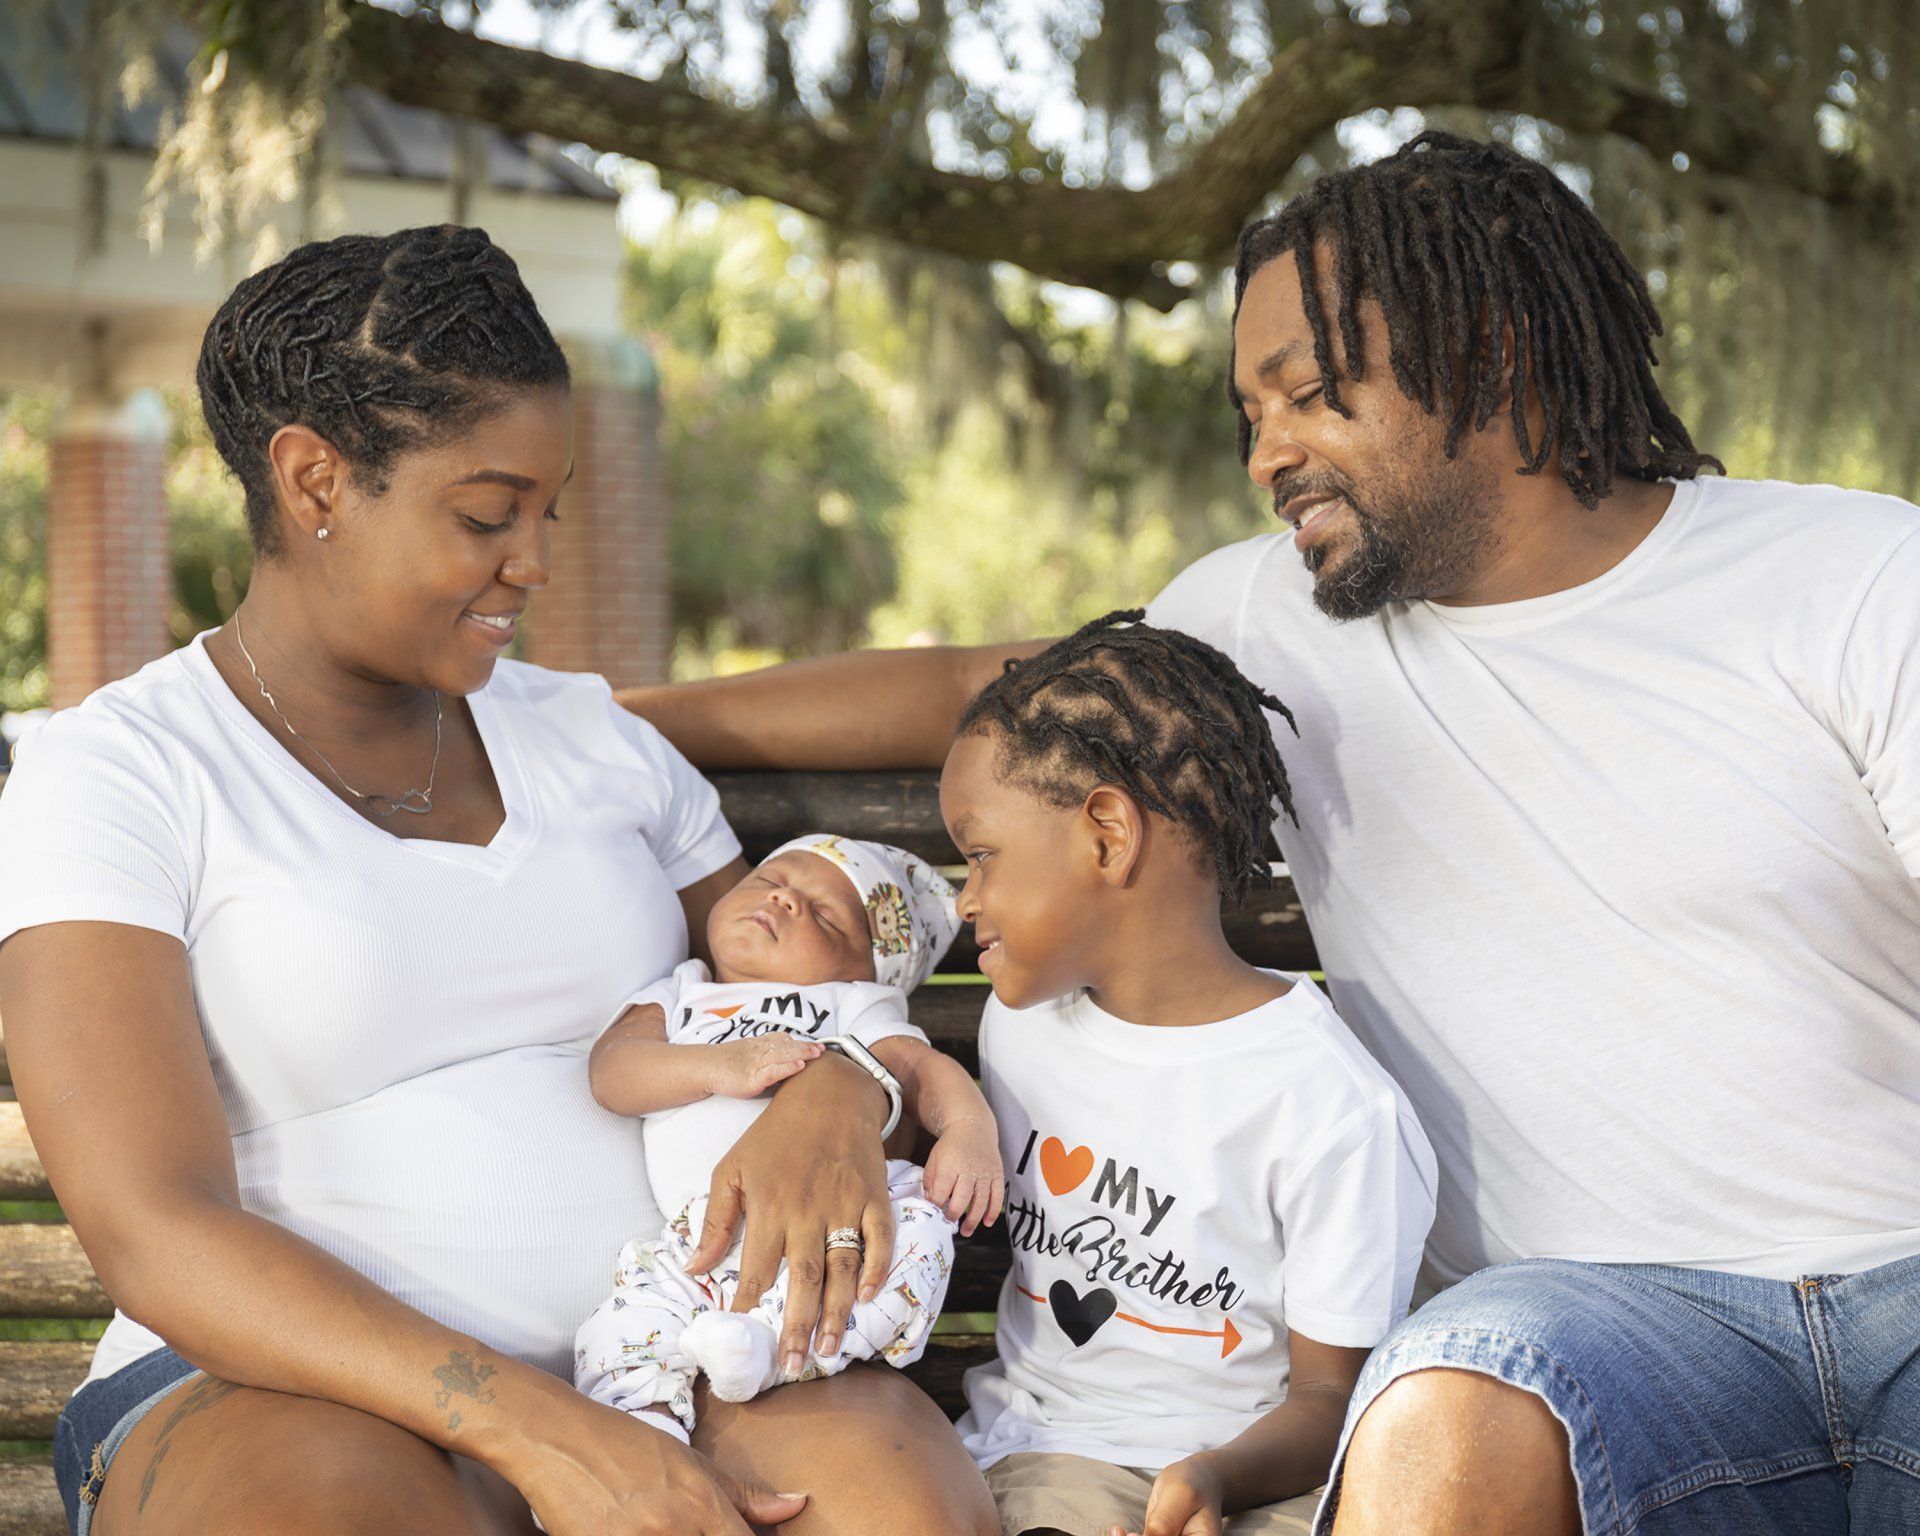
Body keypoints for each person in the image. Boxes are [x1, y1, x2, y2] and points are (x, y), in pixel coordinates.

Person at [621, 132, 1920, 1536]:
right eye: (1253, 415)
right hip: (1591, 1337)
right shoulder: (1271, 626)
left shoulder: (1849, 582)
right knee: (1447, 1407)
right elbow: (969, 692)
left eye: (1307, 395)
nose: (1269, 456)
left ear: (1492, 351)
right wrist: (602, 714)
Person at [0, 225, 997, 1536]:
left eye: (547, 511)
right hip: (282, 1388)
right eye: (486, 514)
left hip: (668, 1344)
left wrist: (845, 1090)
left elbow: (802, 964)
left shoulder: (591, 739)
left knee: (895, 1512)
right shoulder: (119, 774)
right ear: (314, 481)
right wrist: (544, 1434)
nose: (532, 560)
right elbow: (154, 1228)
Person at [935, 614, 1436, 1536]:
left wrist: (1211, 1477)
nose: (965, 898)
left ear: (1107, 834)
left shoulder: (1328, 1105)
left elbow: (1332, 1396)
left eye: (980, 856)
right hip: (1050, 1457)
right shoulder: (1021, 1025)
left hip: (1250, 1477)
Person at [574, 834, 1002, 1433]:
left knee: (922, 1235)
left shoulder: (850, 1001)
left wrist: (966, 1125)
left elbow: (919, 1069)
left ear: (867, 970)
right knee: (618, 1327)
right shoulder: (684, 991)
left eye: (825, 914)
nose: (786, 900)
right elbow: (613, 1070)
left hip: (833, 1235)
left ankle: (774, 1355)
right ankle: (643, 1433)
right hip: (696, 1244)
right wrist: (717, 1066)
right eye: (768, 879)